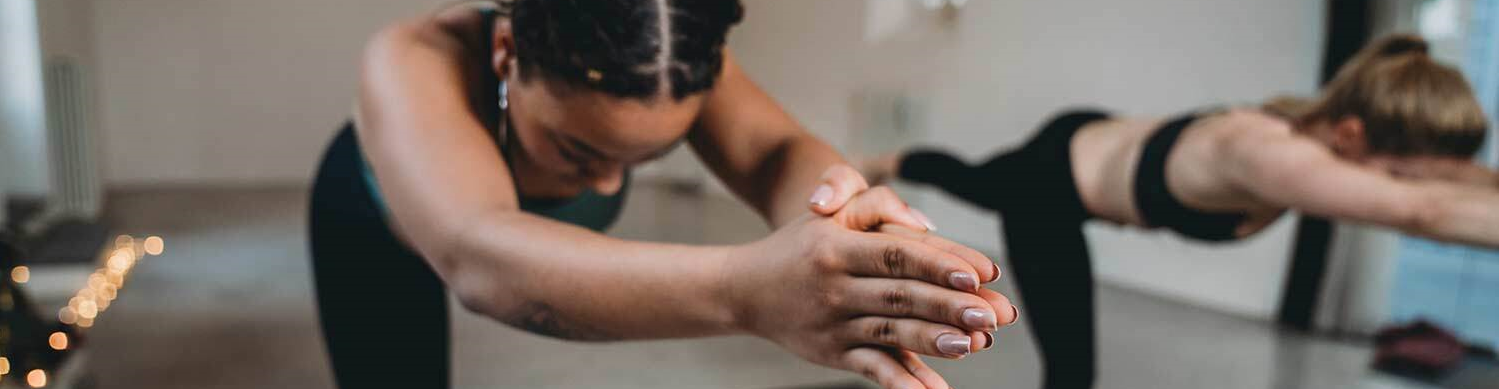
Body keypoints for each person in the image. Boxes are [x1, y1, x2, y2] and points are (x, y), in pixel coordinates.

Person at [308, 1, 1017, 389]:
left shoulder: (666, 49)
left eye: (643, 156)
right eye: (576, 150)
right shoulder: (414, 57)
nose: (606, 182)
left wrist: (848, 227)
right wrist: (750, 292)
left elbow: (777, 156)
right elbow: (481, 257)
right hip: (371, 224)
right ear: (505, 57)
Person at [864, 34, 1498, 389]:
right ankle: (891, 162)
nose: (1406, 179)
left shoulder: (1313, 134)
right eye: (1402, 165)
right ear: (1355, 137)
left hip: (1093, 137)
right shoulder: (1268, 153)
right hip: (1052, 186)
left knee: (979, 178)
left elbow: (1444, 182)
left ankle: (896, 162)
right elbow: (1422, 210)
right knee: (1072, 371)